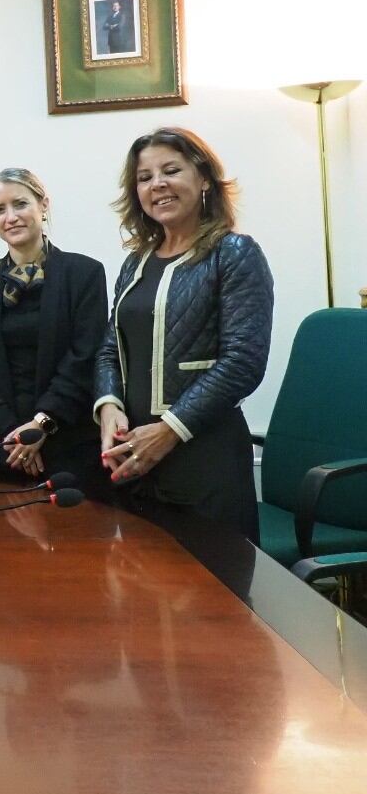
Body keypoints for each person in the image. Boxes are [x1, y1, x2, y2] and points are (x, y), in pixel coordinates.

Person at [95, 128, 273, 542]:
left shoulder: (235, 253)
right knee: (143, 594)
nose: (157, 184)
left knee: (215, 597)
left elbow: (243, 362)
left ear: (204, 178)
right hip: (135, 458)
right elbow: (110, 348)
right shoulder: (135, 262)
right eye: (144, 177)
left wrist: (170, 429)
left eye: (171, 170)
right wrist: (108, 407)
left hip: (205, 460)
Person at [0, 168, 108, 486]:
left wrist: (41, 425)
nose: (10, 216)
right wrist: (13, 434)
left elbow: (84, 359)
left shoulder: (85, 274)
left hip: (68, 441)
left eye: (20, 204)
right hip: (3, 447)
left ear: (43, 205)